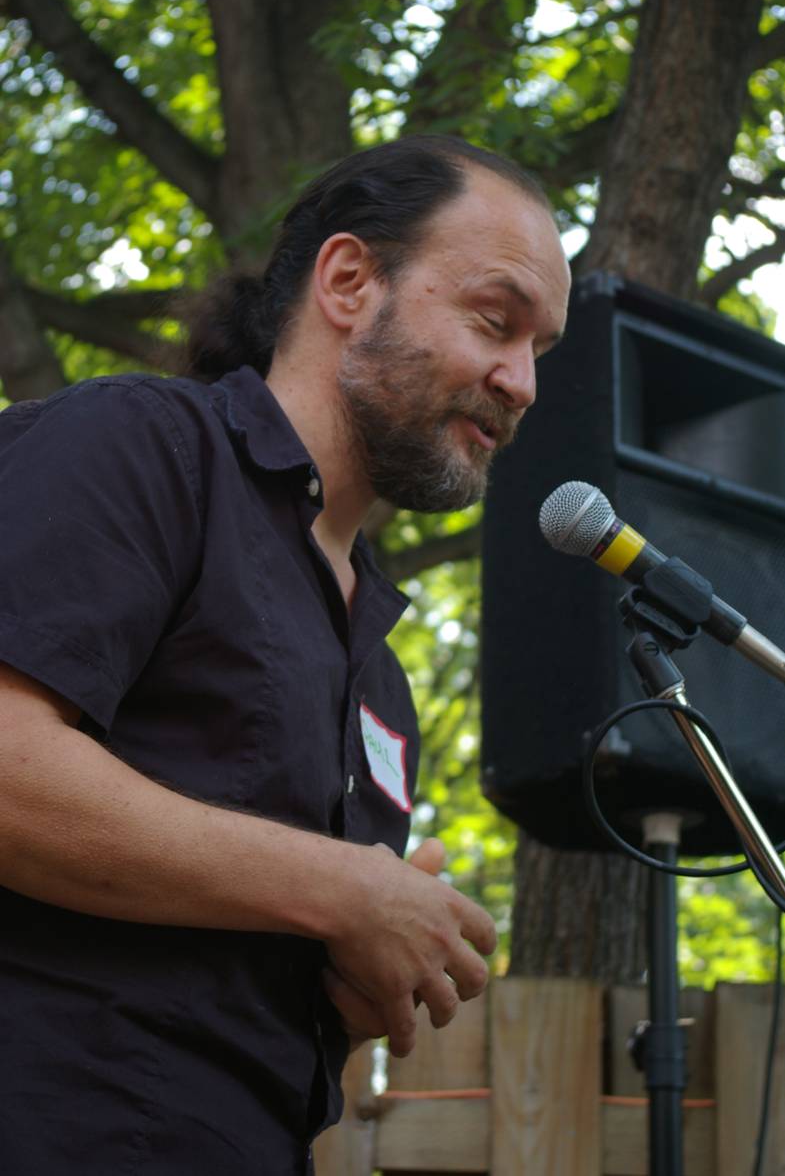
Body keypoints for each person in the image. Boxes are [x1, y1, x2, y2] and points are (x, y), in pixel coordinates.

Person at [0, 135, 570, 1175]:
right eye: (496, 320)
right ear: (349, 281)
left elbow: (250, 975)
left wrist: (361, 981)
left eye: (541, 349)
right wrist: (344, 889)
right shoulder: (144, 444)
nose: (521, 380)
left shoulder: (381, 683)